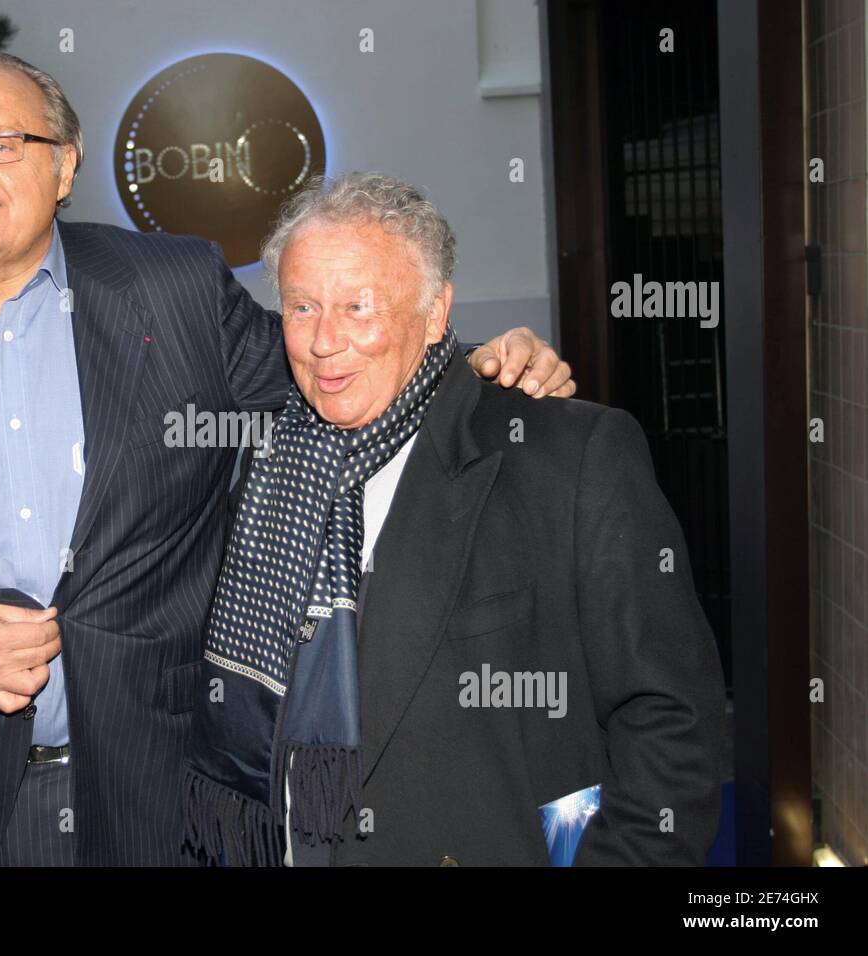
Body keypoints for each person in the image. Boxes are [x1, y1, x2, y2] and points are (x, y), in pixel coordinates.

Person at [0, 52, 574, 866]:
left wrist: (471, 364)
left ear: (65, 164)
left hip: (182, 786)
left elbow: (331, 377)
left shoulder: (172, 288)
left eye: (2, 142)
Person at [184, 172, 726, 866]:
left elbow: (671, 722)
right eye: (301, 307)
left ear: (437, 312)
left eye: (359, 306)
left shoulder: (567, 455)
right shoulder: (261, 469)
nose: (324, 341)